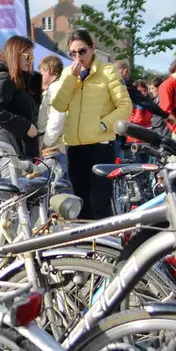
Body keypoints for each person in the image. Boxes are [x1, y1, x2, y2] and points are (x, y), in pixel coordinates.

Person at [50, 30, 132, 220]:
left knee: (99, 203)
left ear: (92, 48)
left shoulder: (108, 71)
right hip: (74, 147)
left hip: (100, 146)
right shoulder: (68, 73)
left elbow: (125, 107)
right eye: (72, 53)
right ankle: (84, 238)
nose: (78, 57)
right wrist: (71, 78)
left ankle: (105, 239)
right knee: (79, 205)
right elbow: (59, 105)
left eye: (82, 51)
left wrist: (104, 125)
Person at [0, 36, 39, 159]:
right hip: (10, 150)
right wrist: (25, 127)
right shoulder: (4, 78)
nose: (30, 60)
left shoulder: (19, 79)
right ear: (15, 54)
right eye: (27, 56)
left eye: (32, 57)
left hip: (19, 149)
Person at [37, 55, 71, 193]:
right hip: (61, 148)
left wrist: (46, 143)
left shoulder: (55, 88)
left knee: (55, 193)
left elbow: (56, 118)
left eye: (42, 72)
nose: (40, 76)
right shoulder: (59, 87)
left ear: (49, 70)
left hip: (55, 149)